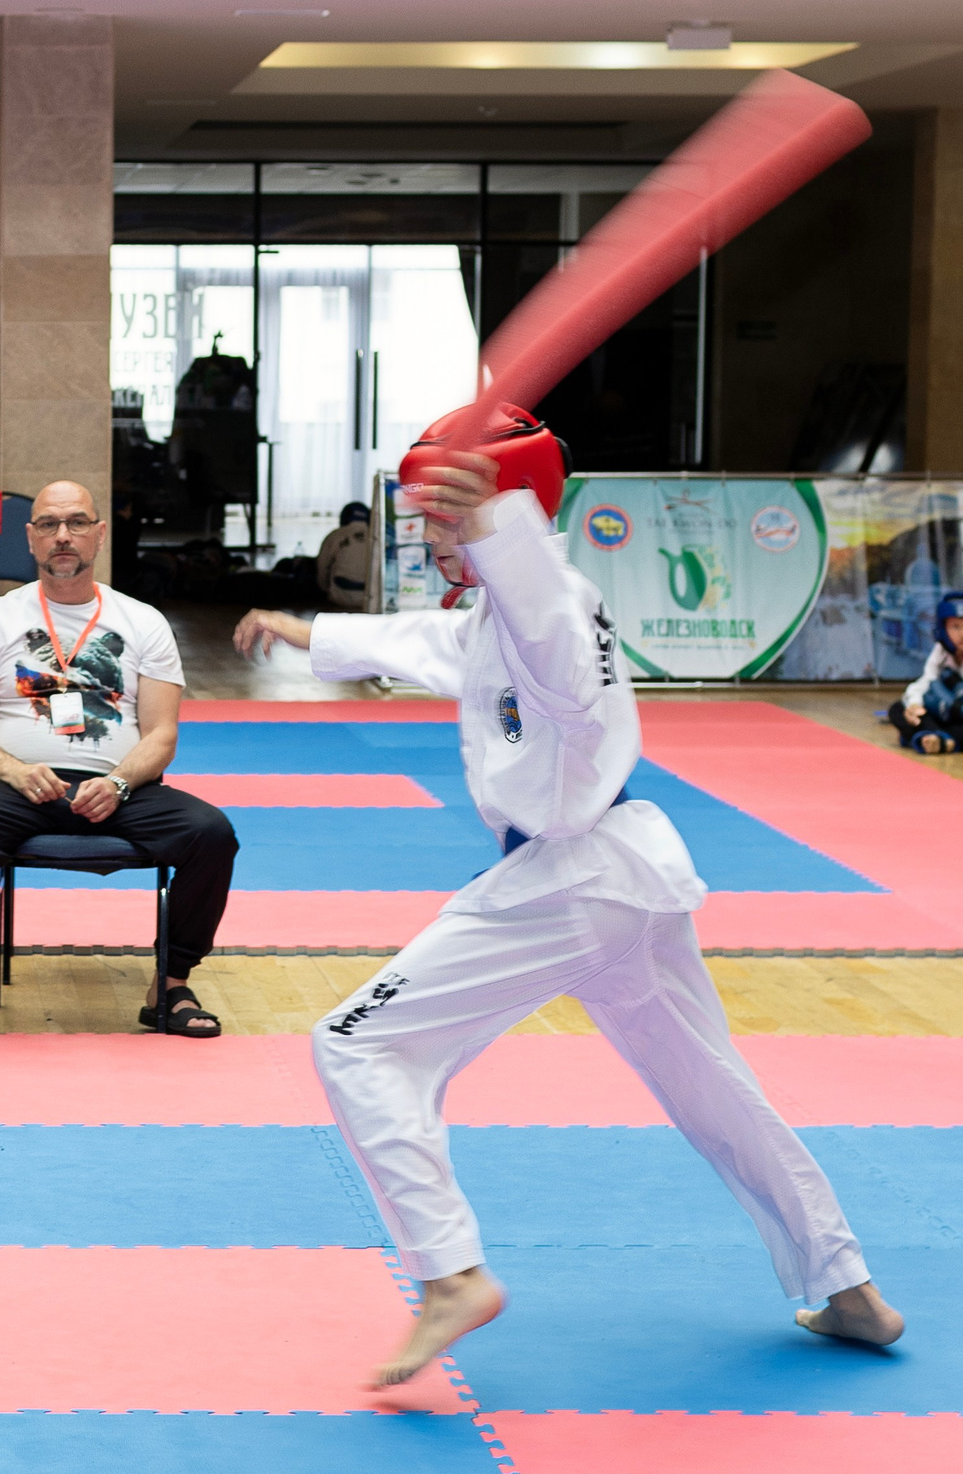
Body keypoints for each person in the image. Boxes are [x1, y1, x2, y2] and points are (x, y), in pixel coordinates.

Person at [233, 403, 903, 1389]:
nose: (425, 533)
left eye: (441, 514)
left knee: (355, 1041)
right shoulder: (495, 618)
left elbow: (540, 606)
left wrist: (502, 519)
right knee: (715, 1093)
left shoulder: (549, 606)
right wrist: (310, 632)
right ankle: (845, 1286)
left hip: (572, 883)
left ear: (503, 511)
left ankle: (447, 1273)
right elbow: (430, 639)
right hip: (620, 880)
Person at [0, 479, 238, 1043]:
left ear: (99, 535)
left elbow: (163, 735)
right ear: (30, 538)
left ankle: (170, 982)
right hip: (17, 787)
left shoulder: (143, 621)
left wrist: (119, 783)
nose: (62, 536)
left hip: (122, 789)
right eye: (48, 524)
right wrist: (16, 771)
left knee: (212, 834)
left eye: (75, 524)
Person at [890, 591, 963, 754]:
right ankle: (938, 739)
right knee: (897, 709)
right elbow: (926, 682)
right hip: (944, 714)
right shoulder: (941, 651)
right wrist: (914, 706)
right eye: (955, 627)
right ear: (943, 628)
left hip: (958, 716)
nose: (962, 634)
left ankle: (931, 738)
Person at [314, 499, 374, 612]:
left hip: (340, 596)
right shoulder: (377, 537)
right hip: (371, 598)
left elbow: (322, 568)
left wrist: (324, 590)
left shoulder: (334, 536)